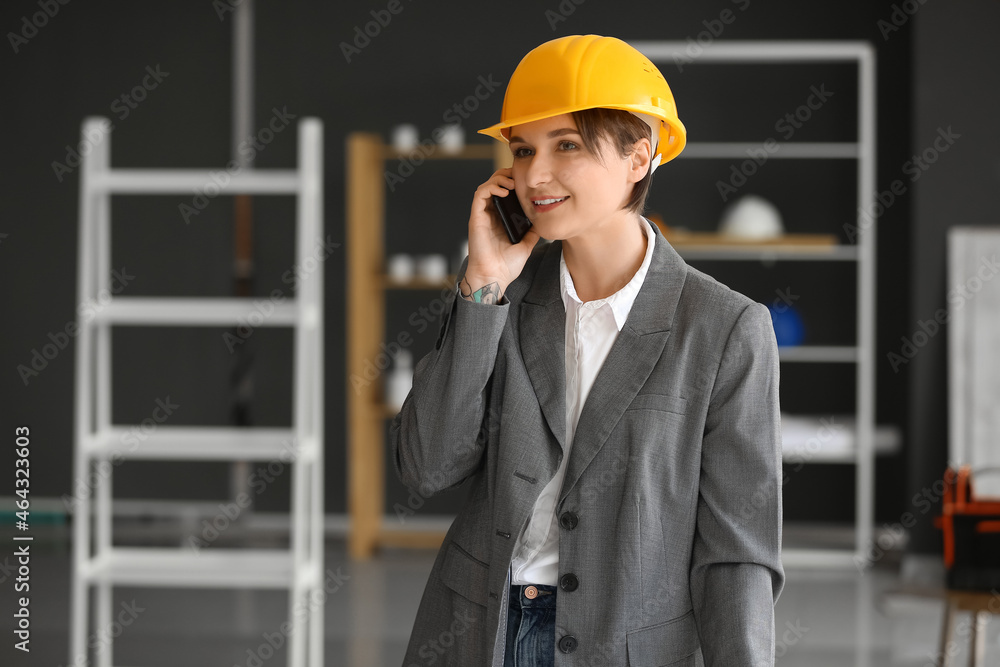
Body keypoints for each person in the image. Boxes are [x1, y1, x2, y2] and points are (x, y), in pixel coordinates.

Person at [390, 34, 784, 667]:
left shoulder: (724, 328)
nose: (534, 174)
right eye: (523, 149)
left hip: (625, 647)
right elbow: (426, 466)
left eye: (566, 145)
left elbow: (736, 551)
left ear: (640, 157)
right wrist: (482, 284)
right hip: (476, 631)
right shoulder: (500, 298)